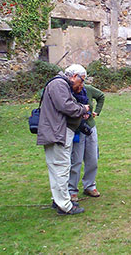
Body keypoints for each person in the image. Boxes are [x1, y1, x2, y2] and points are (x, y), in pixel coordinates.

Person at [37, 64, 90, 216]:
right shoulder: (59, 84)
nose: (82, 84)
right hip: (57, 133)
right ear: (74, 76)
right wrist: (83, 109)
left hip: (56, 132)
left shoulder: (59, 83)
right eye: (82, 80)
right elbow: (66, 107)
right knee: (61, 168)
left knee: (58, 168)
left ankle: (59, 199)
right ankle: (65, 206)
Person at [68, 79, 105, 202]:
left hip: (90, 128)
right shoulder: (67, 91)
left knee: (92, 159)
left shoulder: (88, 89)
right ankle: (72, 190)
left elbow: (101, 96)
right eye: (80, 81)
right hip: (76, 130)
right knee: (76, 161)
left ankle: (89, 186)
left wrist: (96, 112)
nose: (82, 85)